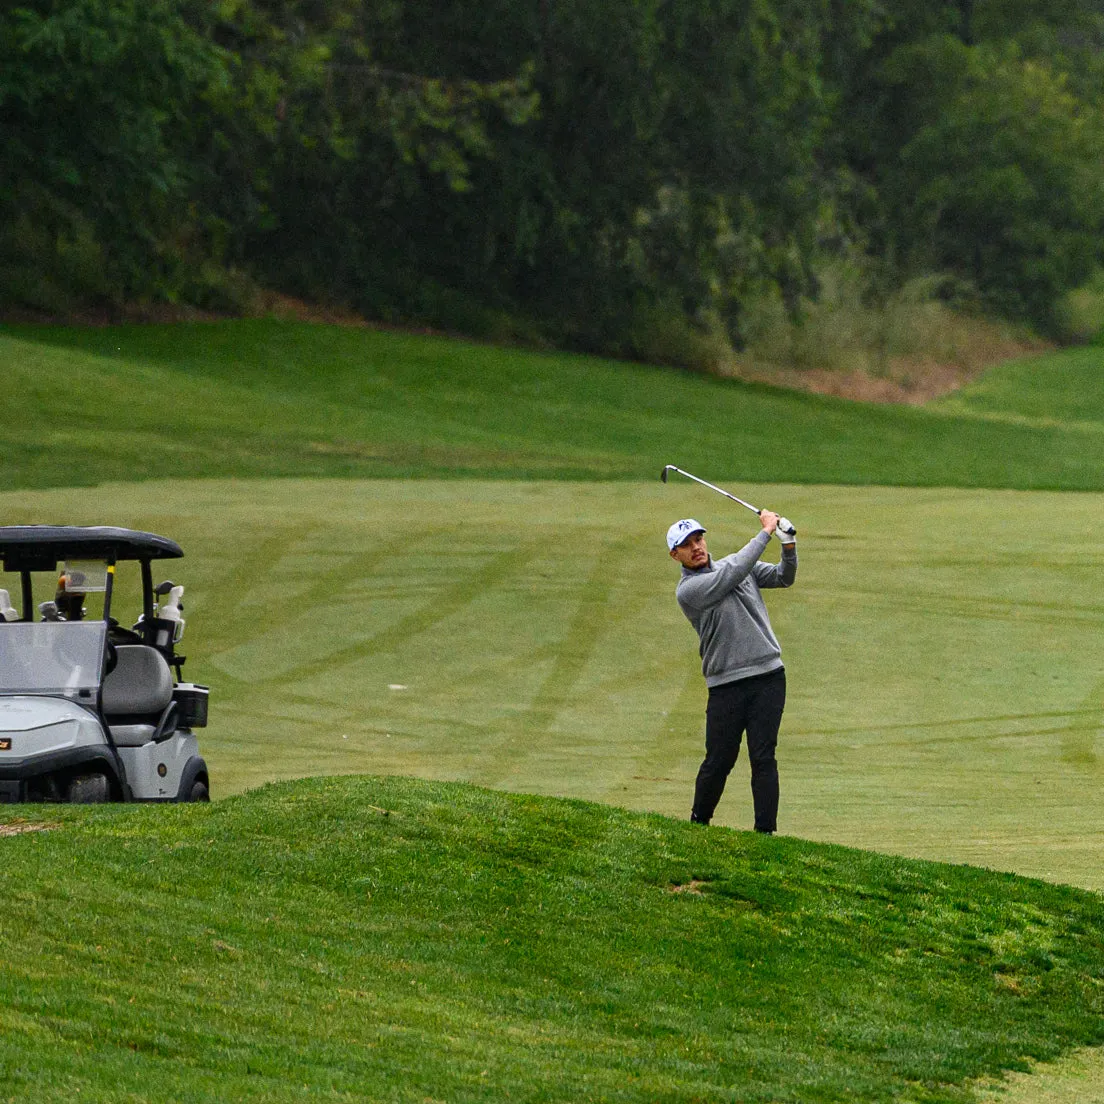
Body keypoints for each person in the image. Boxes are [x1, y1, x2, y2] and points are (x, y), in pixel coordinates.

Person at [667, 511, 797, 832]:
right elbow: (735, 571)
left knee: (763, 757)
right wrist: (765, 532)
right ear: (675, 555)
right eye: (686, 545)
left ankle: (765, 833)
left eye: (698, 539)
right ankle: (698, 824)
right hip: (726, 687)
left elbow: (784, 577)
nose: (696, 547)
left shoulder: (735, 566)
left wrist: (788, 544)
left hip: (768, 678)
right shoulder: (690, 591)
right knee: (719, 760)